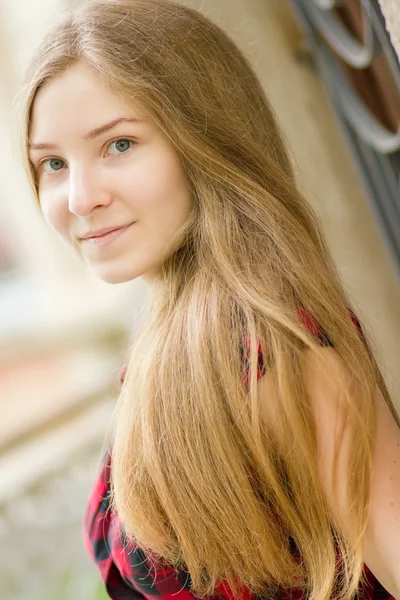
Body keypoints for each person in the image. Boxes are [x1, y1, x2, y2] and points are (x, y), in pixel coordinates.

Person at [16, 0, 400, 598]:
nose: (80, 197)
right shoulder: (167, 334)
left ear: (206, 139)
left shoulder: (278, 356)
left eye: (119, 144)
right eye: (54, 163)